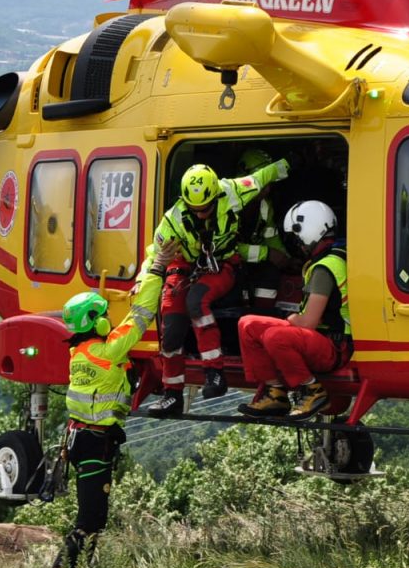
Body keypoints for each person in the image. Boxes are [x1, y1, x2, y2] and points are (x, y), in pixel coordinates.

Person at [142, 155, 291, 417]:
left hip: (222, 264)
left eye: (206, 208)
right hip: (186, 266)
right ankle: (171, 394)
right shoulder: (173, 220)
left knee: (196, 301)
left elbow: (262, 177)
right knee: (173, 327)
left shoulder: (232, 191)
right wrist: (141, 280)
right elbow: (154, 254)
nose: (201, 213)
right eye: (195, 209)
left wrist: (291, 162)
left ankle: (214, 372)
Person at [53, 268, 162, 568]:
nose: (110, 321)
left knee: (93, 518)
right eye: (105, 317)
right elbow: (139, 317)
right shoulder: (109, 350)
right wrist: (155, 273)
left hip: (82, 440)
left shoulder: (79, 351)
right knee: (90, 521)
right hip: (94, 444)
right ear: (99, 323)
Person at [236, 200, 351, 420]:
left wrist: (290, 318)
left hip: (334, 346)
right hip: (317, 339)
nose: (297, 245)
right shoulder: (324, 260)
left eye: (297, 238)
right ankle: (276, 393)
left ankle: (312, 390)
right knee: (247, 324)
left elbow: (308, 322)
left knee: (275, 336)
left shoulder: (325, 268)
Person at [234, 149, 293, 313]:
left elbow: (271, 237)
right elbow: (226, 249)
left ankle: (262, 316)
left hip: (251, 262)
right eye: (262, 183)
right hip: (228, 265)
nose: (267, 189)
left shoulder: (265, 206)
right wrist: (267, 254)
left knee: (271, 273)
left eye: (270, 183)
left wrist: (286, 259)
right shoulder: (228, 207)